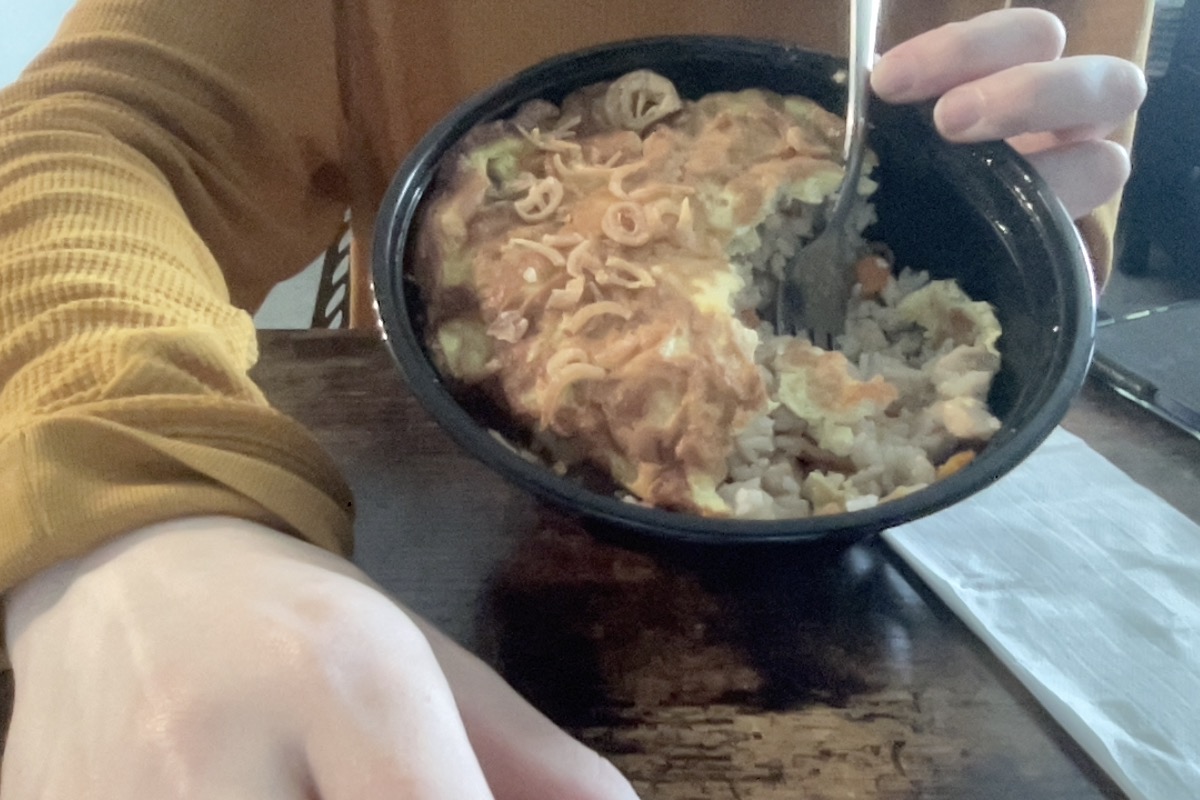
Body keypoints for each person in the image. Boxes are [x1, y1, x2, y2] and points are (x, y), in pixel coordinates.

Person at [0, 1, 1148, 797]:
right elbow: (94, 131)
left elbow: (1067, 232)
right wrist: (141, 509)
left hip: (901, 649)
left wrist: (1034, 216)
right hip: (442, 571)